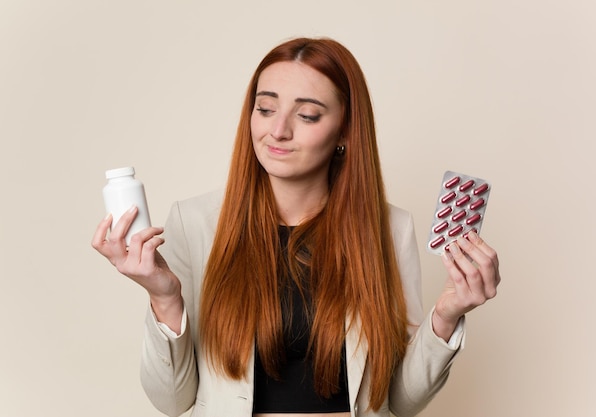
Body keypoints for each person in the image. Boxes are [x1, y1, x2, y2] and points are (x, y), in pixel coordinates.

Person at [92, 37, 501, 417]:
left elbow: (400, 400)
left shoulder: (390, 229)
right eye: (266, 108)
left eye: (306, 115)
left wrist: (446, 316)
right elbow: (171, 400)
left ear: (344, 128)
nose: (278, 130)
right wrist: (164, 299)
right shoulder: (194, 222)